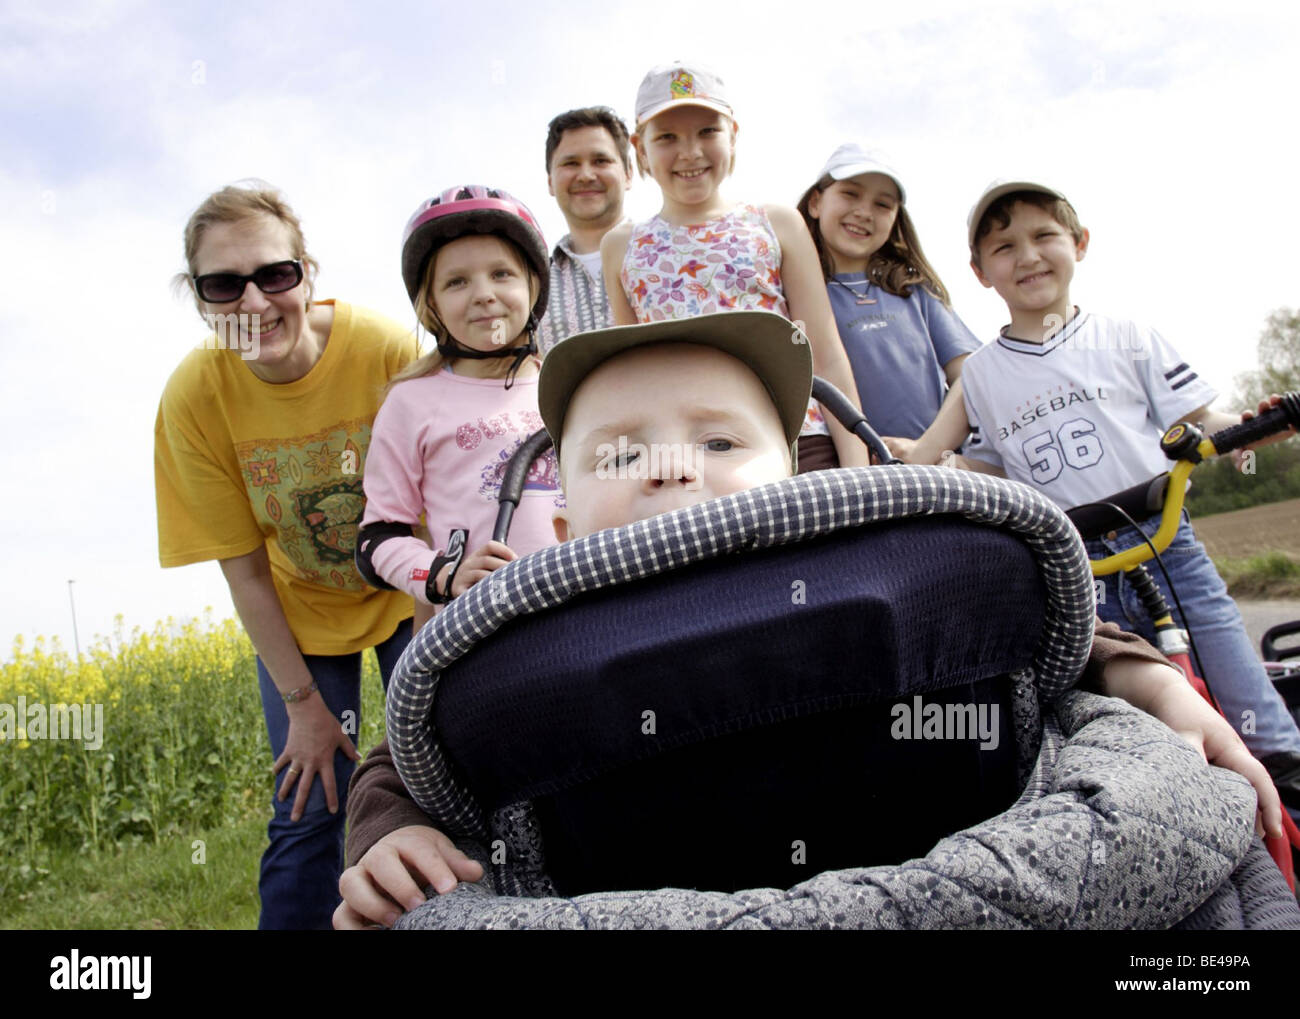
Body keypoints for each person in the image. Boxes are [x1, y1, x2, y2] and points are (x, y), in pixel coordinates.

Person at [333, 311, 1283, 929]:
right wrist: (383, 828)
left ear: (794, 479)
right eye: (622, 453)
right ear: (568, 519)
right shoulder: (532, 625)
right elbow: (418, 735)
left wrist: (1145, 676)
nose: (672, 467)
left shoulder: (865, 555)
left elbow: (1012, 622)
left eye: (718, 440)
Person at [958, 178, 1300, 795]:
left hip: (1163, 541)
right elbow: (990, 467)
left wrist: (1257, 428)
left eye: (1044, 235)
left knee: (1245, 701)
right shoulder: (979, 374)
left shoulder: (1127, 337)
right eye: (1004, 246)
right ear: (981, 272)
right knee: (1148, 726)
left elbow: (1200, 425)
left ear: (1080, 243)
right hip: (1072, 569)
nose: (1028, 255)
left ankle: (1285, 788)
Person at [154, 182, 416, 929]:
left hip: (408, 591)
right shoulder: (194, 399)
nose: (254, 303)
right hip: (302, 610)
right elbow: (244, 572)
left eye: (275, 275)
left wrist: (434, 656)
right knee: (308, 803)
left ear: (308, 274)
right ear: (200, 299)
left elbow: (440, 504)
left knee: (440, 780)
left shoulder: (384, 350)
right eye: (223, 284)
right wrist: (305, 707)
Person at [599, 62, 870, 473]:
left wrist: (857, 465)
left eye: (707, 132)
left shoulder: (777, 222)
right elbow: (638, 374)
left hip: (798, 440)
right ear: (640, 150)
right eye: (667, 137)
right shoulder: (621, 246)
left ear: (733, 136)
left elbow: (825, 353)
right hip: (688, 459)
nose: (690, 152)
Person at [354, 186, 565, 629]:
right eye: (457, 282)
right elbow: (377, 539)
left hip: (581, 614)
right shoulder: (411, 401)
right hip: (483, 632)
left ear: (533, 284)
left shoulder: (570, 385)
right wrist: (444, 575)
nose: (484, 294)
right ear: (431, 306)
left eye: (501, 274)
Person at [796, 144, 979, 461]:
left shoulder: (916, 292)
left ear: (895, 219)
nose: (864, 212)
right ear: (816, 202)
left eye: (883, 204)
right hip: (847, 475)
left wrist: (927, 449)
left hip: (934, 471)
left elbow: (971, 376)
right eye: (850, 194)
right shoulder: (798, 299)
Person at [537, 107, 634, 353]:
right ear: (550, 181)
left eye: (600, 161)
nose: (586, 175)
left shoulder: (668, 258)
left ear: (628, 173)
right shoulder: (531, 285)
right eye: (571, 163)